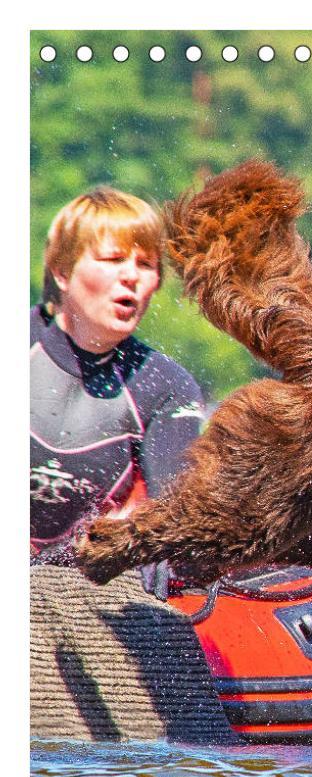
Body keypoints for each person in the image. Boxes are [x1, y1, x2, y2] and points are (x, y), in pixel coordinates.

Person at [30, 186, 205, 557]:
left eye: (146, 264)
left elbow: (177, 522)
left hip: (75, 585)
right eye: (113, 259)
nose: (131, 276)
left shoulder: (168, 387)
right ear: (62, 272)